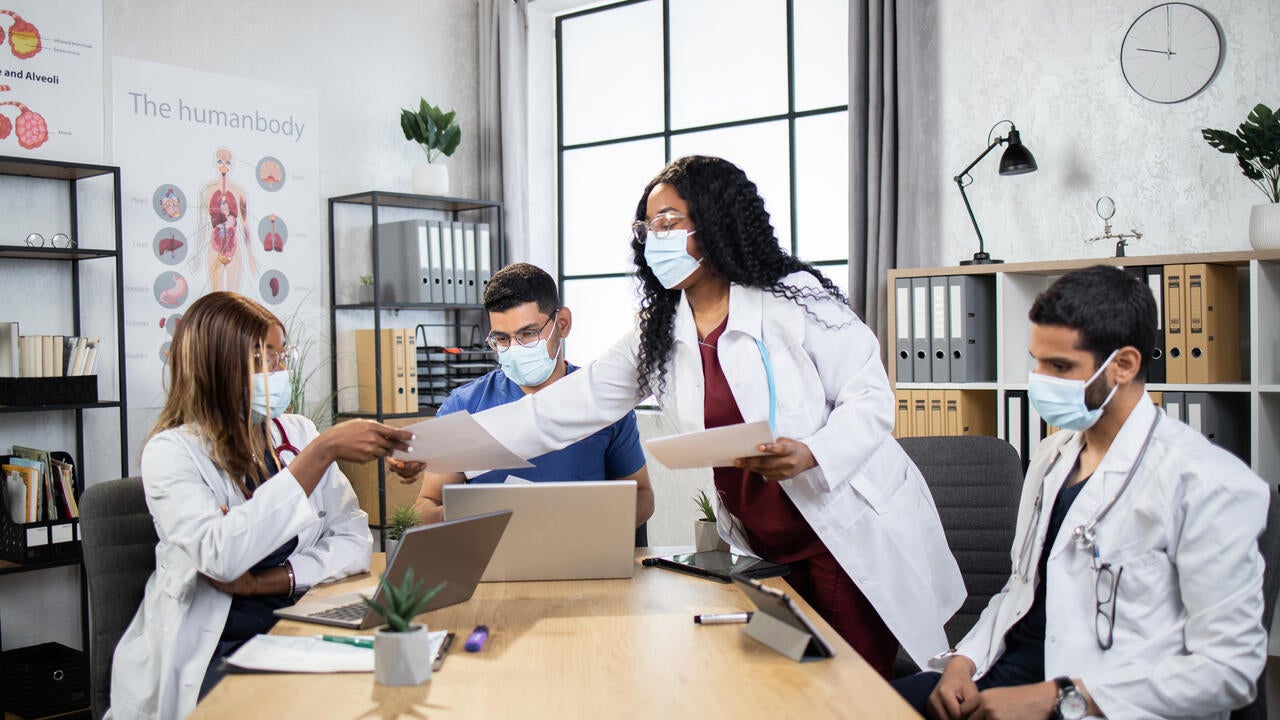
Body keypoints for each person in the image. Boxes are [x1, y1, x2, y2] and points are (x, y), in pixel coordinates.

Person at [451, 155, 963, 678]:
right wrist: (436, 448)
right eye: (647, 227)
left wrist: (812, 452)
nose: (656, 238)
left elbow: (871, 398)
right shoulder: (660, 332)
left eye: (669, 223)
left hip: (843, 536)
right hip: (763, 547)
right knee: (783, 684)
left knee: (847, 691)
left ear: (716, 222)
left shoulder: (795, 299)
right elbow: (561, 408)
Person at [892, 265, 1268, 720]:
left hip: (1094, 703)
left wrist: (1059, 697)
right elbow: (1020, 589)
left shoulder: (1208, 484)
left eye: (1060, 367)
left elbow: (1229, 671)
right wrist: (960, 664)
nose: (1040, 380)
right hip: (996, 680)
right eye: (1037, 361)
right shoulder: (1053, 456)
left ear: (1125, 365)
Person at [109, 292, 413, 719]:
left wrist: (266, 581)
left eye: (280, 356)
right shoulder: (171, 453)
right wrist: (319, 455)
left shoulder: (297, 432)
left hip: (299, 625)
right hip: (216, 648)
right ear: (216, 368)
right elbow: (223, 556)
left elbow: (353, 541)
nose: (278, 371)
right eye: (261, 360)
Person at [389, 263, 654, 527]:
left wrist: (588, 525)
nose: (514, 348)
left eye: (528, 334)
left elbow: (641, 496)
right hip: (490, 557)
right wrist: (474, 517)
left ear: (562, 324)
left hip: (584, 557)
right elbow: (427, 505)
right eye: (502, 339)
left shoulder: (601, 400)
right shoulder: (465, 406)